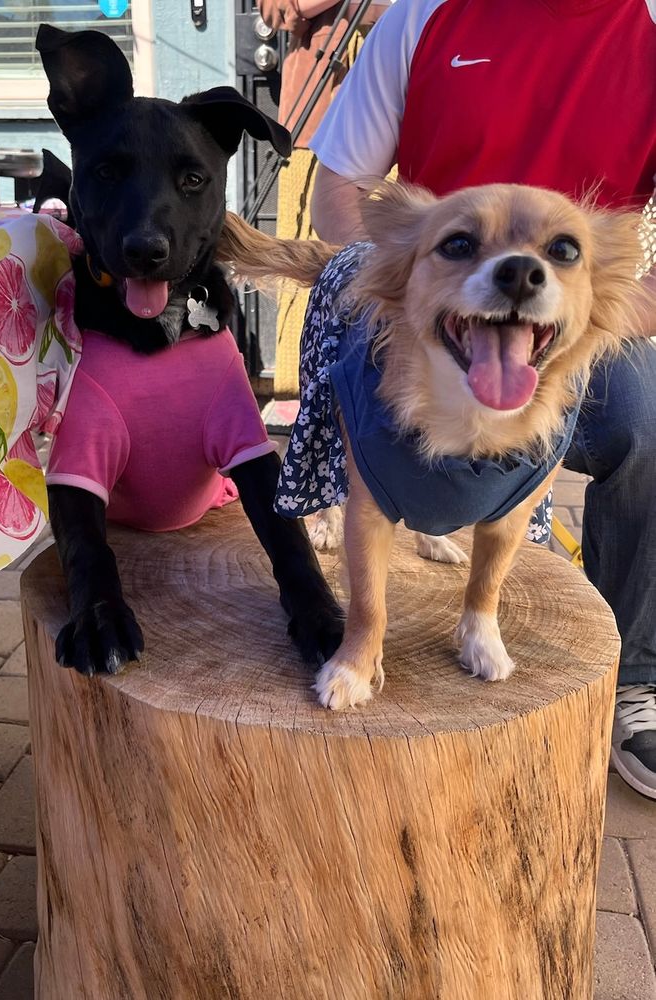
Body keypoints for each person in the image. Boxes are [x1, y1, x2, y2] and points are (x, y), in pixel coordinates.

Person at [308, 0, 656, 798]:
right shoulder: (420, 13)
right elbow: (340, 192)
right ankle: (343, 521)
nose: (519, 266)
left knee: (649, 423)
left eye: (550, 250)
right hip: (427, 306)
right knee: (354, 393)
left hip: (580, 320)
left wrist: (595, 314)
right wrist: (406, 271)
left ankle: (635, 674)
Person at [258, 0, 390, 398]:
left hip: (403, 109)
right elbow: (275, 9)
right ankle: (300, 392)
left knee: (390, 261)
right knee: (307, 256)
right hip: (318, 119)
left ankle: (375, 389)